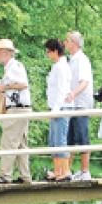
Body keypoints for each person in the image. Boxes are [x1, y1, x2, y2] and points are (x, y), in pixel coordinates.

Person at [0, 38, 33, 184]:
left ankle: (5, 175)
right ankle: (25, 175)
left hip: (17, 109)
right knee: (20, 143)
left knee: (8, 141)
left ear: (5, 53)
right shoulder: (14, 66)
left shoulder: (13, 66)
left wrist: (5, 87)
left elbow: (23, 84)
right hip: (21, 108)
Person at [64, 31, 94, 181]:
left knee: (82, 136)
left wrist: (73, 94)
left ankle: (85, 171)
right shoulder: (72, 60)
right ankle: (66, 170)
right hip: (72, 105)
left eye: (67, 40)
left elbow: (84, 82)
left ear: (74, 43)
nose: (65, 43)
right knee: (69, 137)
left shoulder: (81, 60)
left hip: (81, 104)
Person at [44, 38, 72, 182]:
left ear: (55, 51)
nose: (47, 54)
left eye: (48, 51)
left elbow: (62, 90)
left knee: (60, 139)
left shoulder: (62, 67)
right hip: (55, 107)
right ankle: (57, 171)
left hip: (61, 107)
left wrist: (56, 108)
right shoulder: (57, 66)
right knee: (53, 140)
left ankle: (65, 171)